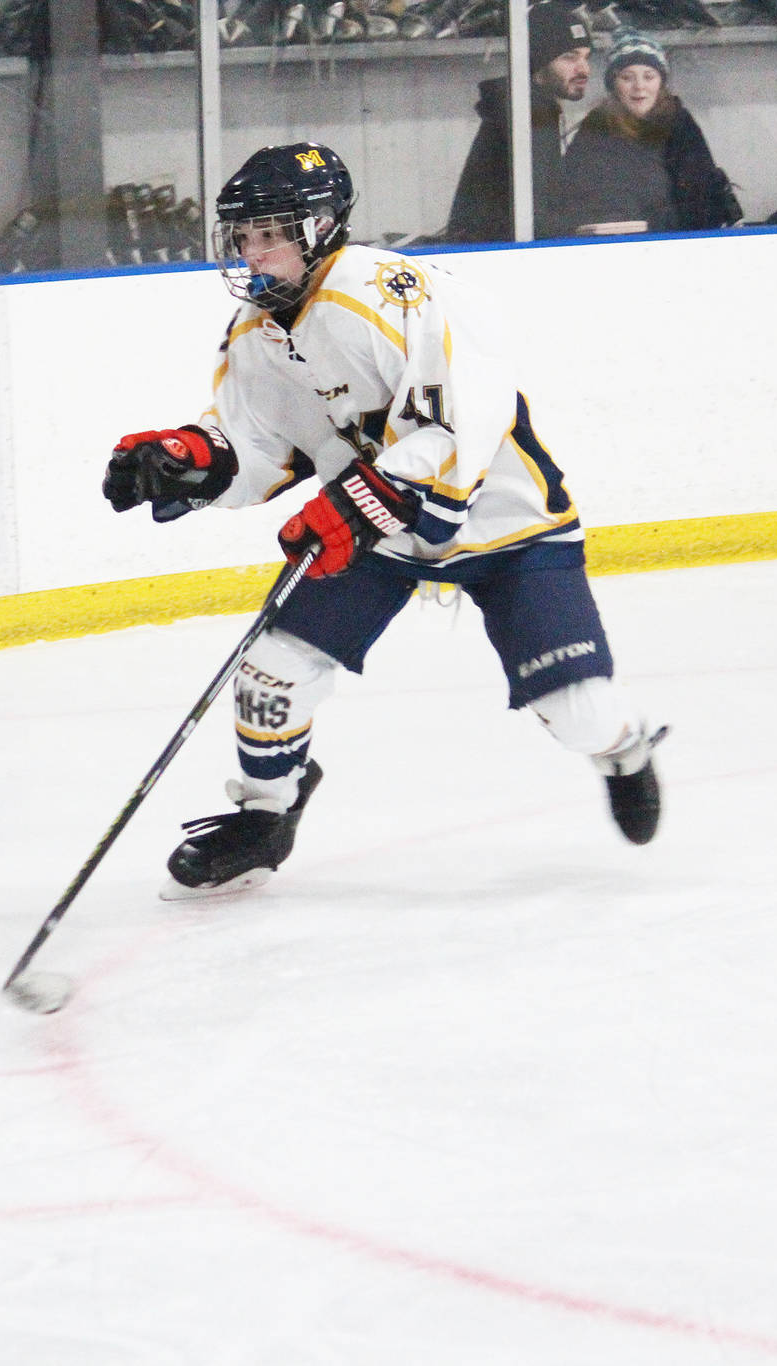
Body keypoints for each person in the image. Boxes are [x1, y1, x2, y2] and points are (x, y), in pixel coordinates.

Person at [104, 141, 665, 900]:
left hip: (505, 525)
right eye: (242, 236)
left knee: (580, 714)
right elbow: (265, 447)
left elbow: (459, 425)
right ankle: (267, 813)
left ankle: (625, 750)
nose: (251, 251)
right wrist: (190, 456)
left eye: (269, 233)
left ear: (322, 225)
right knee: (271, 673)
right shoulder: (254, 332)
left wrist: (360, 503)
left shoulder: (396, 291)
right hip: (377, 531)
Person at [558, 32, 743, 234]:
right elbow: (571, 198)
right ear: (614, 84)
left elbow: (703, 200)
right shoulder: (596, 126)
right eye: (627, 77)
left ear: (660, 82)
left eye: (649, 76)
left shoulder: (680, 124)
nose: (639, 87)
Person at [444, 1, 593, 242]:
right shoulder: (528, 114)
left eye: (586, 57)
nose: (584, 69)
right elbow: (538, 219)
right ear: (538, 60)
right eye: (569, 57)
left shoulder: (527, 106)